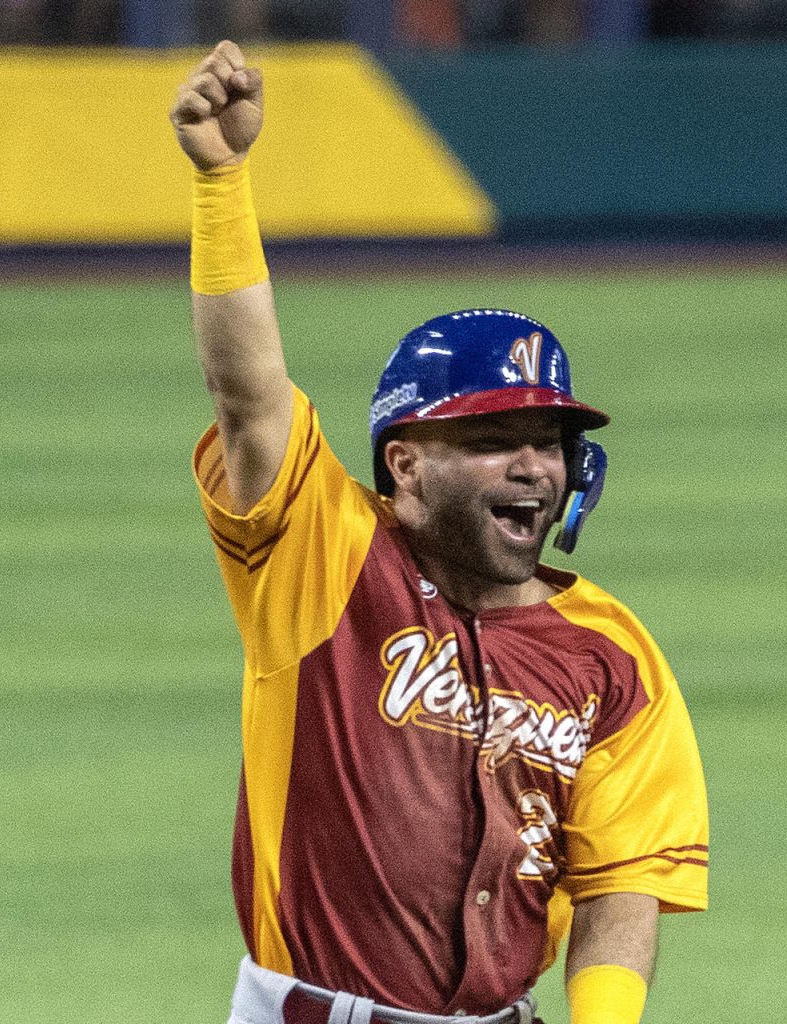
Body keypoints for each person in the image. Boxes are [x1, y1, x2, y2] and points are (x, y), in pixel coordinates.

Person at [170, 41, 709, 1024]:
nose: (533, 466)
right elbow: (249, 398)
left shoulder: (612, 655)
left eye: (548, 442)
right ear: (406, 464)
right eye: (494, 439)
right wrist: (221, 181)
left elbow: (623, 878)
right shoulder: (321, 557)